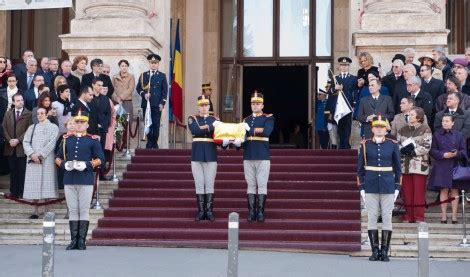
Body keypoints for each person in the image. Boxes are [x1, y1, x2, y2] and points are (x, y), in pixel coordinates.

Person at [55, 110, 105, 250]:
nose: (79, 124)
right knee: (72, 210)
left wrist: (87, 164)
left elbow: (101, 159)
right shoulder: (66, 139)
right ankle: (73, 240)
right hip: (69, 178)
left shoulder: (92, 140)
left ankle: (81, 240)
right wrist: (65, 165)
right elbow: (58, 158)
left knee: (83, 210)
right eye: (77, 122)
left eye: (82, 122)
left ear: (87, 124)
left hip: (85, 179)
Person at [357, 114, 401, 262]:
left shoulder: (393, 144)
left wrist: (397, 187)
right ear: (372, 128)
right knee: (372, 217)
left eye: (382, 127)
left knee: (387, 217)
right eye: (376, 127)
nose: (379, 129)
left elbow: (398, 168)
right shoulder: (365, 144)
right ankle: (375, 250)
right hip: (370, 184)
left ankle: (384, 251)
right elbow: (360, 169)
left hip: (388, 184)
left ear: (387, 129)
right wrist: (361, 188)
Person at [188, 95, 228, 221]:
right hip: (197, 156)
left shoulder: (214, 119)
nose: (204, 108)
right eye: (201, 105)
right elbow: (196, 130)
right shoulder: (192, 118)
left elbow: (219, 138)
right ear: (198, 107)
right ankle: (201, 211)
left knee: (210, 184)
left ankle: (209, 211)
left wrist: (226, 141)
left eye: (206, 105)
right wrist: (212, 126)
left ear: (209, 106)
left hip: (211, 155)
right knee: (199, 184)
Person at [428, 114, 468, 224]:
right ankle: (444, 216)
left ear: (453, 122)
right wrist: (443, 155)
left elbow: (464, 151)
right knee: (443, 190)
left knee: (455, 190)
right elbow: (432, 151)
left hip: (455, 165)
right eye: (443, 121)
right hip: (442, 165)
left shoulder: (459, 135)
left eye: (447, 121)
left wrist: (457, 154)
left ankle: (454, 216)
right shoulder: (436, 135)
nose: (444, 123)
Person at [242, 91, 274, 223]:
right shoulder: (246, 120)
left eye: (257, 104)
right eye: (253, 103)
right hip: (248, 154)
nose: (255, 106)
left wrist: (250, 129)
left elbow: (267, 131)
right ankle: (251, 212)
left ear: (262, 105)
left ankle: (260, 212)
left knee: (262, 184)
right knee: (250, 184)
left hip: (262, 155)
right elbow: (243, 138)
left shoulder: (268, 118)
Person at [22, 107, 59, 218]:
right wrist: (32, 154)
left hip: (46, 159)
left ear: (47, 114)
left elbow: (52, 143)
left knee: (48, 185)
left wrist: (40, 154)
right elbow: (25, 142)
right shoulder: (31, 128)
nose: (40, 115)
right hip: (33, 160)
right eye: (38, 114)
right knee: (34, 186)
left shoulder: (53, 127)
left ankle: (47, 210)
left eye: (42, 113)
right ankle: (35, 211)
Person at [396, 107, 432, 223]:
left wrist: (413, 151)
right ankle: (408, 216)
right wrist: (402, 149)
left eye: (412, 114)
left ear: (419, 117)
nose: (409, 116)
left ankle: (418, 217)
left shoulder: (425, 129)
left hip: (419, 165)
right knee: (407, 192)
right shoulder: (402, 129)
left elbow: (426, 146)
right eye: (409, 114)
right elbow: (397, 143)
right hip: (404, 165)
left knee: (418, 193)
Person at [2, 93, 32, 198]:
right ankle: (13, 192)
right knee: (13, 170)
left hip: (22, 148)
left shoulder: (28, 114)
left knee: (22, 170)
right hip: (10, 147)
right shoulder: (8, 114)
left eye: (22, 100)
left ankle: (22, 192)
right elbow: (4, 128)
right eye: (18, 100)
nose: (21, 102)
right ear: (14, 102)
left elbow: (29, 130)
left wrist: (18, 140)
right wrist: (10, 140)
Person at [136, 54, 168, 149]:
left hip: (157, 105)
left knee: (156, 124)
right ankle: (149, 142)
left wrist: (162, 103)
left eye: (155, 63)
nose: (153, 65)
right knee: (147, 123)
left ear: (158, 64)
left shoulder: (162, 76)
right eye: (151, 63)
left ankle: (155, 141)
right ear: (149, 64)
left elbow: (164, 91)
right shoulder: (144, 75)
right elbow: (138, 88)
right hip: (146, 104)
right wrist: (144, 94)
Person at [326, 57, 357, 149]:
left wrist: (354, 105)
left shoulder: (353, 78)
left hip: (348, 106)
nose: (344, 67)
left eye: (346, 65)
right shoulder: (335, 78)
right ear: (339, 66)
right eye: (342, 65)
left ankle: (346, 144)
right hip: (339, 107)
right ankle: (341, 145)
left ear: (348, 66)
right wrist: (335, 88)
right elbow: (330, 92)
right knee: (339, 126)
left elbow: (355, 92)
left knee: (347, 127)